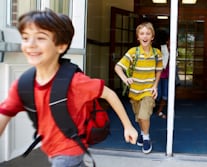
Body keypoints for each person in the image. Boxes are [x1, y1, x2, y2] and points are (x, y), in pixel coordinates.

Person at [0, 9, 138, 167]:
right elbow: (4, 112)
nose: (30, 45)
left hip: (69, 151)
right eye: (25, 38)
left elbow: (109, 94)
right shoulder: (24, 84)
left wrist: (128, 126)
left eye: (40, 38)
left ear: (61, 46)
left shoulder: (75, 82)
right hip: (51, 149)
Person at [114, 22, 163, 154]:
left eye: (148, 33)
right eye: (142, 33)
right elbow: (118, 67)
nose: (145, 36)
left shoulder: (157, 53)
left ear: (152, 36)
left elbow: (158, 71)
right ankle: (142, 133)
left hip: (148, 91)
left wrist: (155, 86)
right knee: (139, 118)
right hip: (134, 92)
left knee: (144, 115)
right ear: (138, 37)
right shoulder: (133, 52)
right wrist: (125, 79)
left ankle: (146, 138)